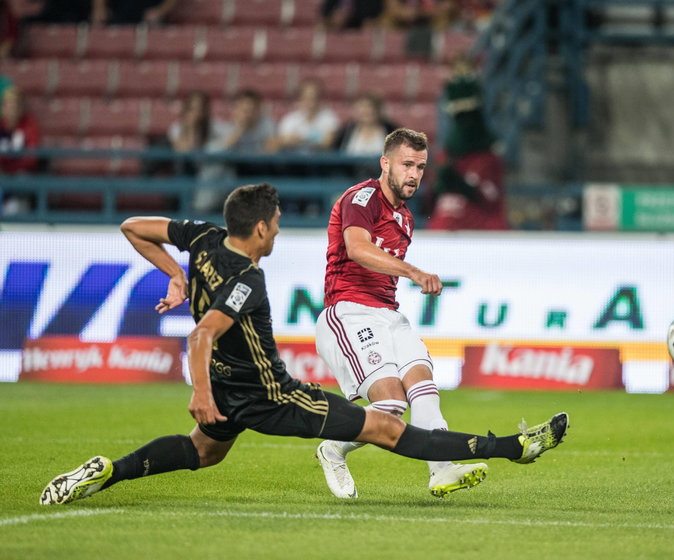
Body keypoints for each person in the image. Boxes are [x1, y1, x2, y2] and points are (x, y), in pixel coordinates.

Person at [39, 182, 569, 506]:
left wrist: (176, 277)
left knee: (202, 452)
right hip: (270, 395)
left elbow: (134, 227)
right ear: (262, 229)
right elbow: (202, 334)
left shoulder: (199, 235)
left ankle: (108, 472)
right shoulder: (249, 279)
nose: (277, 235)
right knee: (389, 427)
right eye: (276, 227)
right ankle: (511, 448)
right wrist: (198, 392)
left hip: (226, 388)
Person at [313, 128, 491, 500]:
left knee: (424, 388)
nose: (414, 174)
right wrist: (413, 271)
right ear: (386, 163)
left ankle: (441, 471)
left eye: (421, 167)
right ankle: (333, 448)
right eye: (406, 164)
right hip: (350, 311)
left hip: (389, 316)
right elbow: (357, 248)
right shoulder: (362, 198)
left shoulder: (405, 218)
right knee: (391, 405)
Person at [426, 62, 508, 230]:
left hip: (480, 229)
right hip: (445, 226)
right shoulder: (446, 156)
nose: (464, 123)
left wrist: (461, 185)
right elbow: (432, 196)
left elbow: (490, 198)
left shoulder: (488, 159)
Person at [267, 78, 339, 153]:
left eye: (314, 98)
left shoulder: (330, 118)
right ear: (299, 99)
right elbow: (276, 143)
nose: (310, 103)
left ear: (320, 99)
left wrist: (299, 140)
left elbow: (327, 142)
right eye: (306, 98)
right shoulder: (290, 119)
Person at [0, 86, 41, 215]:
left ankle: (18, 222)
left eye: (15, 105)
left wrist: (12, 166)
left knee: (22, 182)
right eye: (8, 105)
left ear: (20, 108)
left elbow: (31, 157)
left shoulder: (29, 125)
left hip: (20, 174)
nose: (11, 109)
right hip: (2, 173)